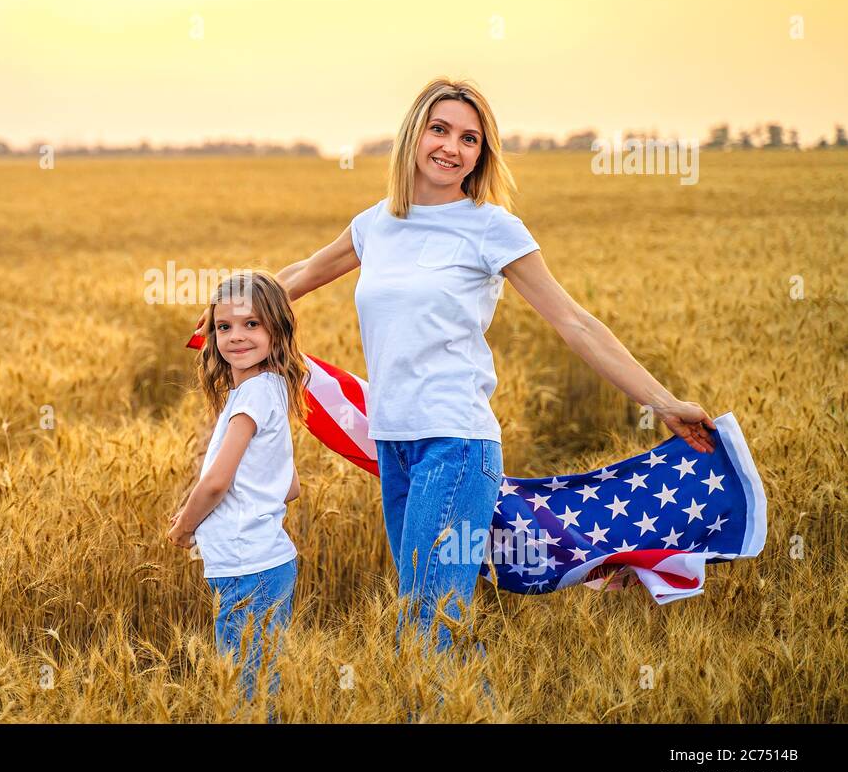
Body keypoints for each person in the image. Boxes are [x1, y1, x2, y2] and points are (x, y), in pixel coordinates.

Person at [270, 76, 717, 666]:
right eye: (440, 129)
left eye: (470, 138)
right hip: (395, 446)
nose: (451, 147)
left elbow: (573, 322)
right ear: (413, 134)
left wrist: (663, 402)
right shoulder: (376, 224)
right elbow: (299, 275)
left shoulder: (490, 227)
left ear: (482, 153)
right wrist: (228, 311)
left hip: (454, 444)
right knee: (425, 616)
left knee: (427, 627)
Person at [166, 270, 310, 714]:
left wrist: (184, 527)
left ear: (277, 330)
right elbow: (290, 486)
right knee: (260, 681)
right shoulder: (271, 389)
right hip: (268, 562)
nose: (236, 337)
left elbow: (215, 482)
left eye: (251, 324)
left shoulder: (249, 399)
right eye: (224, 326)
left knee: (247, 692)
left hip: (248, 566)